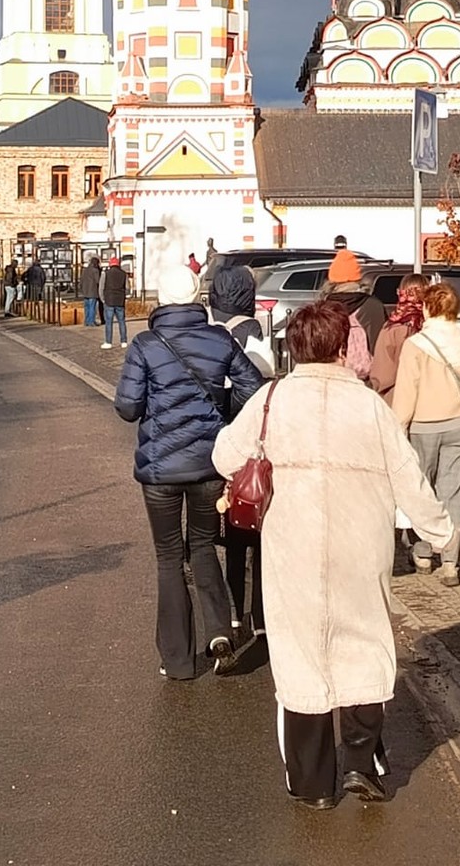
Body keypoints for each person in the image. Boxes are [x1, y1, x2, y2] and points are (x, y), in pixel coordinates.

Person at [213, 300, 453, 809]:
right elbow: (407, 473)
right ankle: (363, 765)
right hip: (360, 544)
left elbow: (224, 455)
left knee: (300, 657)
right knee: (365, 646)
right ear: (343, 347)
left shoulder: (271, 398)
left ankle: (314, 784)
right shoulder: (368, 405)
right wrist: (438, 530)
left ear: (294, 346)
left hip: (292, 546)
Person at [114, 264, 262, 680]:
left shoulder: (145, 344)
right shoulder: (220, 339)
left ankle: (178, 660)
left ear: (160, 298)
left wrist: (155, 407)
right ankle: (219, 632)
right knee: (202, 546)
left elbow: (127, 408)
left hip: (160, 469)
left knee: (168, 557)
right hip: (208, 464)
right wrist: (221, 419)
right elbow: (252, 389)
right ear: (198, 295)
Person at [391, 282, 460, 586]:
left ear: (428, 307)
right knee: (453, 493)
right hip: (459, 421)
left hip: (422, 425)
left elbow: (406, 393)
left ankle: (422, 552)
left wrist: (398, 428)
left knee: (423, 491)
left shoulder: (416, 344)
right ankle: (450, 561)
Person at [208, 262, 275, 638]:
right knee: (260, 532)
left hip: (225, 444)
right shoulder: (254, 335)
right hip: (258, 447)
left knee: (232, 534)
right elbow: (265, 388)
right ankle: (261, 616)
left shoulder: (210, 333)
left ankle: (234, 614)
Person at [320, 250, 387, 369]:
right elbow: (380, 346)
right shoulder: (373, 306)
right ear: (358, 278)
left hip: (332, 373)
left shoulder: (323, 308)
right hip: (366, 377)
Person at [369, 274, 428, 401]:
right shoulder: (432, 325)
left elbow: (382, 373)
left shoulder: (392, 328)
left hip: (397, 399)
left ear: (400, 293)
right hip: (430, 401)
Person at [100, 256, 128, 350]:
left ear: (110, 264)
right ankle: (123, 341)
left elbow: (101, 288)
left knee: (109, 322)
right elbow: (127, 288)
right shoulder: (124, 274)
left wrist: (103, 299)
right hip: (120, 301)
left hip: (109, 300)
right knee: (122, 322)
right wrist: (125, 296)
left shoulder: (105, 274)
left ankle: (108, 342)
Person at [80, 255, 102, 327]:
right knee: (92, 307)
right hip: (92, 291)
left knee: (86, 307)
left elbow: (81, 281)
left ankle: (86, 321)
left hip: (85, 291)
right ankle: (91, 321)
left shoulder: (84, 270)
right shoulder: (95, 270)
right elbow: (98, 281)